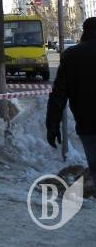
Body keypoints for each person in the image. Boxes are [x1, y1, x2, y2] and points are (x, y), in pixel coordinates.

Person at [46, 17, 96, 182]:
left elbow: (58, 95)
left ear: (84, 31)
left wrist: (52, 125)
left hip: (87, 125)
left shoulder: (72, 55)